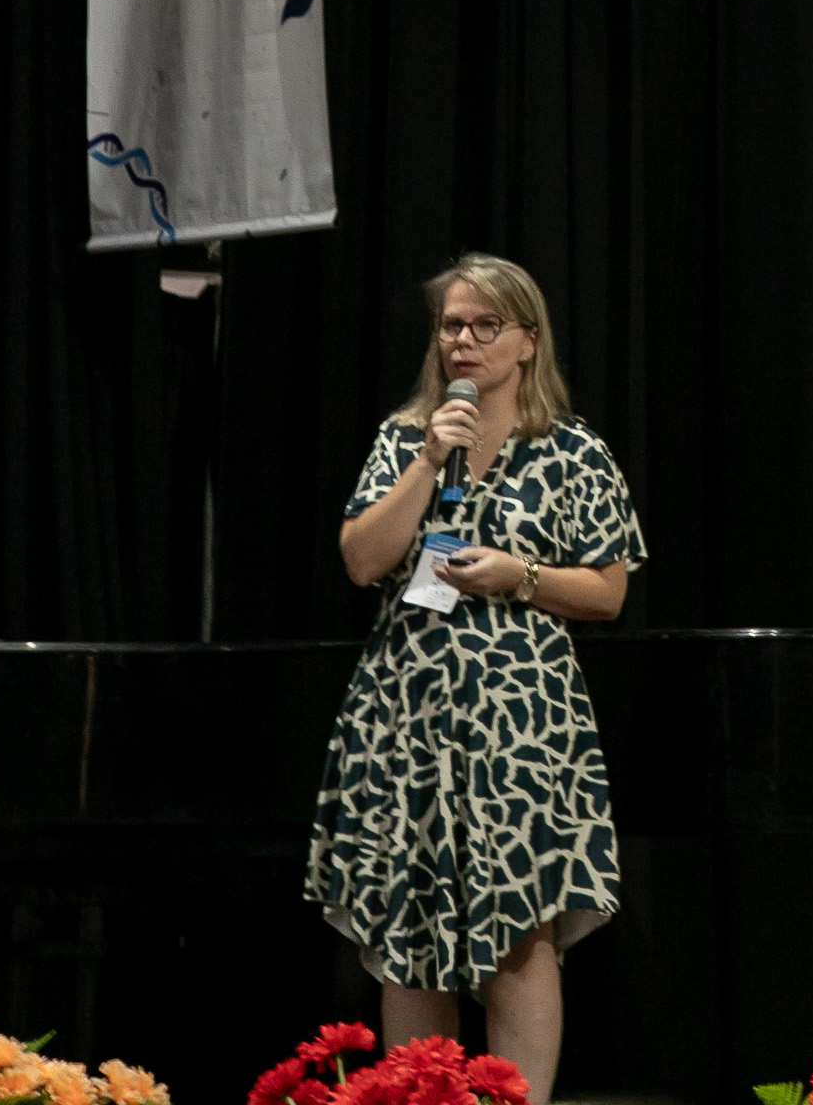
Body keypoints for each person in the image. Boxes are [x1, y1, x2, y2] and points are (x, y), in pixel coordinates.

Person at [306, 253, 649, 1105]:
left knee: (520, 931)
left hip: (521, 722)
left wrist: (518, 576)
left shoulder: (573, 451)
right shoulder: (404, 439)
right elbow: (362, 560)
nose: (463, 340)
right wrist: (429, 460)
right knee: (410, 926)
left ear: (528, 341)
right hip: (406, 713)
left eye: (485, 325)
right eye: (451, 325)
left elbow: (608, 592)